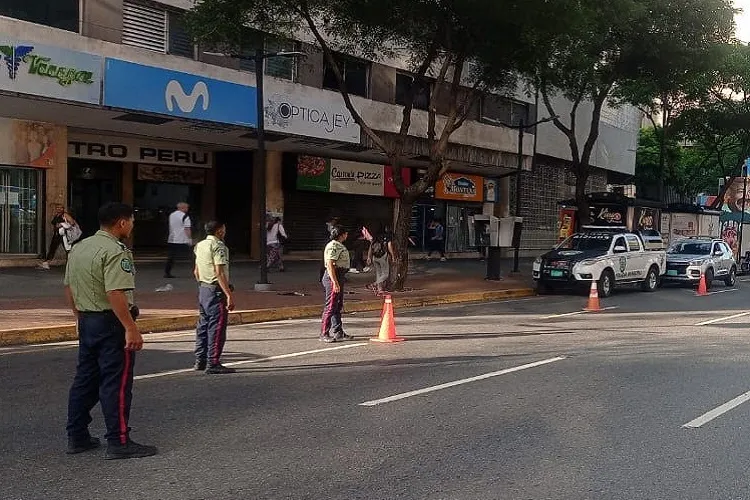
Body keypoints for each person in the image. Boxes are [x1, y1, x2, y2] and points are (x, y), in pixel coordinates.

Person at [64, 202, 157, 460]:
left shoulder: (80, 248)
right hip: (111, 323)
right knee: (116, 383)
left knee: (85, 380)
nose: (132, 226)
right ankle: (119, 441)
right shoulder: (116, 251)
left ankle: (77, 436)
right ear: (121, 223)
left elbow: (69, 287)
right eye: (131, 221)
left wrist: (78, 317)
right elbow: (115, 292)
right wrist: (130, 328)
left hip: (87, 320)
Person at [194, 221, 236, 374]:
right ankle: (213, 362)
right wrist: (228, 295)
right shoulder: (219, 246)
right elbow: (219, 273)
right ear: (219, 231)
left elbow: (196, 271)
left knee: (203, 326)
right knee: (217, 327)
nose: (225, 232)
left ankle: (200, 359)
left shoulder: (200, 245)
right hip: (215, 290)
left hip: (203, 288)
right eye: (223, 229)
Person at [320, 225, 354, 343]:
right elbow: (330, 264)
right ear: (342, 234)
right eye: (345, 233)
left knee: (337, 306)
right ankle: (324, 333)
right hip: (332, 277)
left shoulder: (339, 245)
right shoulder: (333, 245)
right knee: (330, 306)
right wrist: (335, 282)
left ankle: (338, 331)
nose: (347, 235)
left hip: (339, 276)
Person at [39, 205, 79, 270]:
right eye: (57, 207)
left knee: (68, 249)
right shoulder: (57, 215)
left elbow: (72, 222)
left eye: (60, 208)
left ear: (63, 209)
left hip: (64, 235)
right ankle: (46, 262)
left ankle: (72, 263)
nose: (59, 209)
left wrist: (62, 224)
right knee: (53, 248)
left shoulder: (65, 215)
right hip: (57, 235)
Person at [164, 202, 193, 278]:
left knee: (171, 257)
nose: (187, 209)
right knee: (192, 256)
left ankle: (167, 272)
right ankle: (196, 271)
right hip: (182, 239)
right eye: (186, 208)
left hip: (172, 239)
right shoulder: (185, 216)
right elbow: (187, 228)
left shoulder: (172, 215)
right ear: (182, 208)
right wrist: (190, 239)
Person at [368, 226, 395, 295]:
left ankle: (379, 290)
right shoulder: (387, 236)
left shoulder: (375, 237)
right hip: (383, 257)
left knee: (379, 274)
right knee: (385, 274)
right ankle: (374, 284)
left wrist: (369, 257)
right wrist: (393, 256)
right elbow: (389, 247)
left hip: (375, 257)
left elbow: (371, 247)